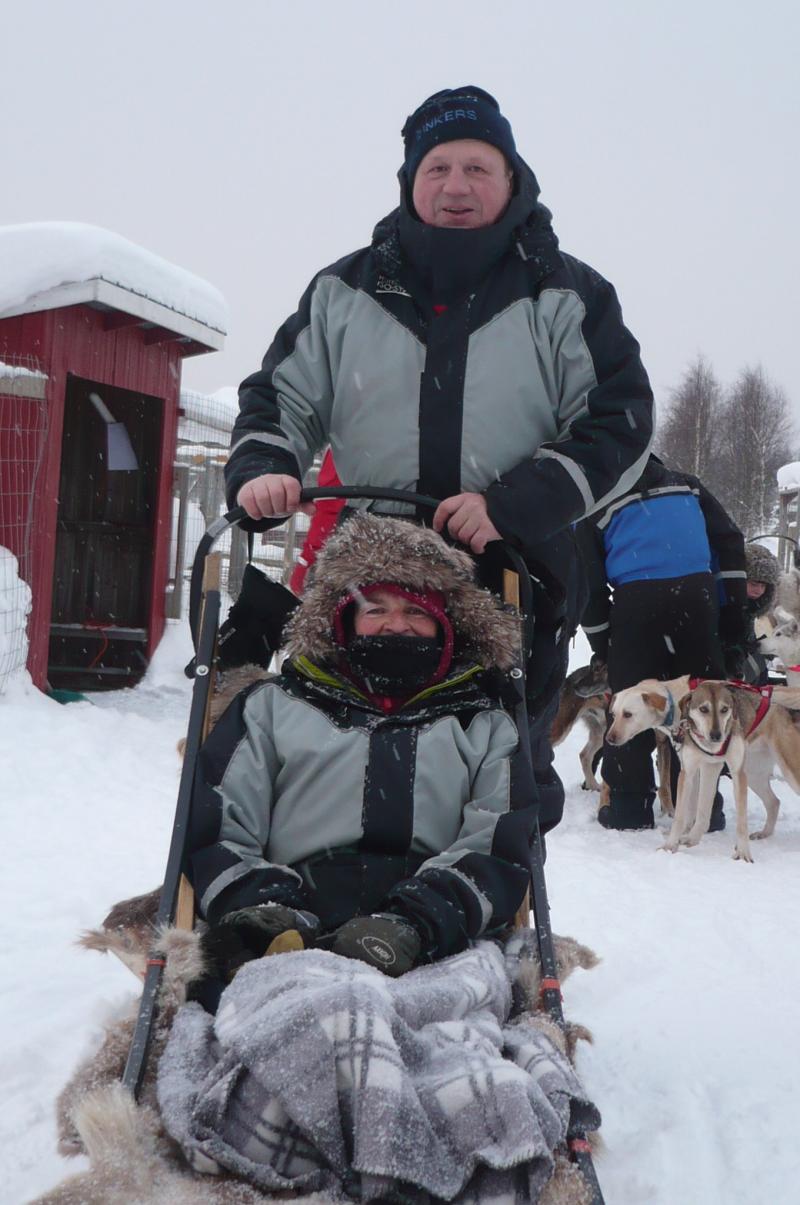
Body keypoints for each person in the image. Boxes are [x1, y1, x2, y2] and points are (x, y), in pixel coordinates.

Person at [223, 85, 654, 838]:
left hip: (513, 575)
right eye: (438, 168)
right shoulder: (344, 291)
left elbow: (620, 421)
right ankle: (334, 895)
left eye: (478, 167)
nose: (456, 186)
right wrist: (266, 461)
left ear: (512, 179)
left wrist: (514, 502)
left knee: (501, 771)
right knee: (337, 750)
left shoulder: (568, 294)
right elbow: (280, 396)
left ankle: (481, 902)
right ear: (410, 182)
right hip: (369, 580)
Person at [187, 513, 535, 1000]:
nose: (397, 625)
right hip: (284, 920)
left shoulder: (483, 723)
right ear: (343, 621)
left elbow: (499, 838)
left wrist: (417, 921)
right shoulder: (271, 707)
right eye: (376, 609)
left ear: (447, 627)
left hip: (437, 935)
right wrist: (265, 905)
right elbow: (219, 821)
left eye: (417, 612)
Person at [576, 454, 748, 831]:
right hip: (696, 600)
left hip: (635, 604)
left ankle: (627, 807)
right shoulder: (688, 485)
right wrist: (732, 618)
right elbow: (730, 543)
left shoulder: (598, 498)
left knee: (631, 701)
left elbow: (587, 582)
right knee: (700, 701)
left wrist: (604, 642)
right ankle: (706, 808)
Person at [740, 542, 780, 684]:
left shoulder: (748, 611)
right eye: (754, 584)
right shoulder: (729, 613)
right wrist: (759, 657)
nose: (758, 591)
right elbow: (736, 675)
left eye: (763, 585)